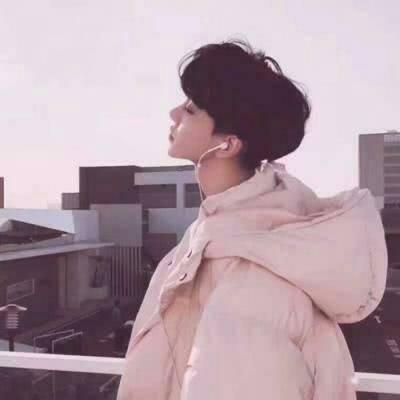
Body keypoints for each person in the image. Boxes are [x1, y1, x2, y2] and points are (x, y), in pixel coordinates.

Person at [117, 38, 387, 400]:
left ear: (228, 144)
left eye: (191, 109)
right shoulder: (214, 236)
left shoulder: (254, 272)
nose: (173, 113)